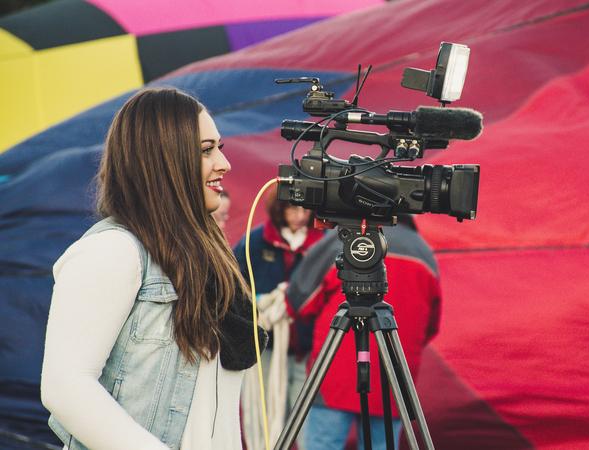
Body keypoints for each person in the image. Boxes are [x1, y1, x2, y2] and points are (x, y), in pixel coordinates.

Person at [40, 87, 265, 450]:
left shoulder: (206, 256)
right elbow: (65, 387)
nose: (224, 163)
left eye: (219, 148)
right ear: (163, 159)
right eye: (206, 150)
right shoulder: (112, 251)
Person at [285, 216, 442, 450]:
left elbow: (299, 301)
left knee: (323, 444)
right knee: (381, 444)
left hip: (333, 376)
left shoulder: (345, 241)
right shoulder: (424, 253)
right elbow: (431, 327)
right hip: (392, 382)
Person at [232, 198, 323, 448]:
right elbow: (234, 282)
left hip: (306, 349)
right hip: (267, 346)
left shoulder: (321, 243)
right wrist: (262, 303)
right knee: (266, 411)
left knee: (307, 412)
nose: (300, 215)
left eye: (305, 208)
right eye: (293, 208)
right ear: (280, 209)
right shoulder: (257, 240)